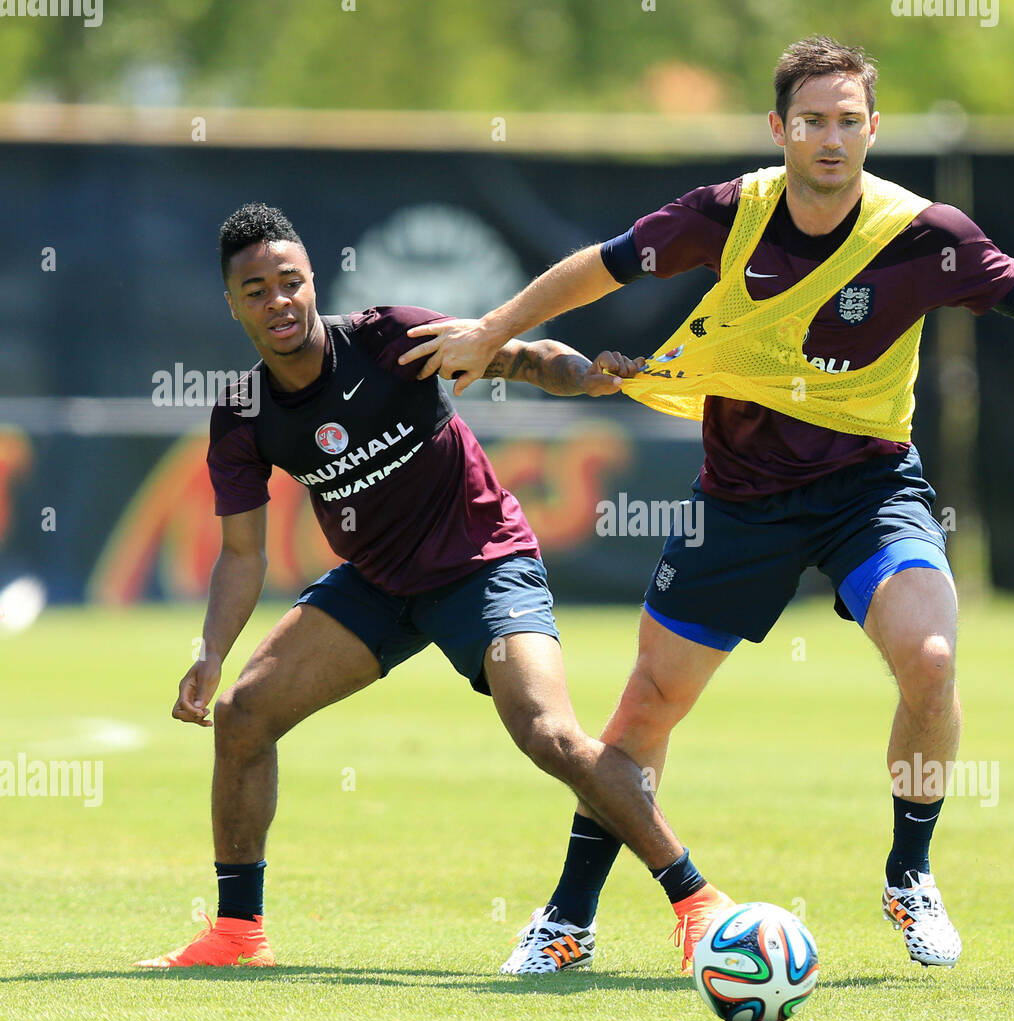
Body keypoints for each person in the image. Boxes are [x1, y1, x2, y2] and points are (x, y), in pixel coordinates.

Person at [398, 36, 1014, 974]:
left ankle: (911, 875)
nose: (829, 138)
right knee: (647, 708)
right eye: (811, 121)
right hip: (738, 499)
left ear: (873, 128)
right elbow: (601, 268)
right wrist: (492, 330)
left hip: (870, 491)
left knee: (931, 660)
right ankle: (570, 917)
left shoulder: (924, 235)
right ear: (779, 128)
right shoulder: (728, 214)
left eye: (847, 121)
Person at [134, 203, 731, 970]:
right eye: (255, 290)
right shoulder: (243, 414)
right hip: (377, 583)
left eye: (290, 282)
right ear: (232, 303)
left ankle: (695, 900)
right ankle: (237, 935)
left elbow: (518, 356)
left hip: (484, 562)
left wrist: (582, 378)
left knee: (547, 733)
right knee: (244, 714)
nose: (278, 301)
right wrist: (211, 651)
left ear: (314, 282)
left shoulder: (389, 339)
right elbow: (242, 555)